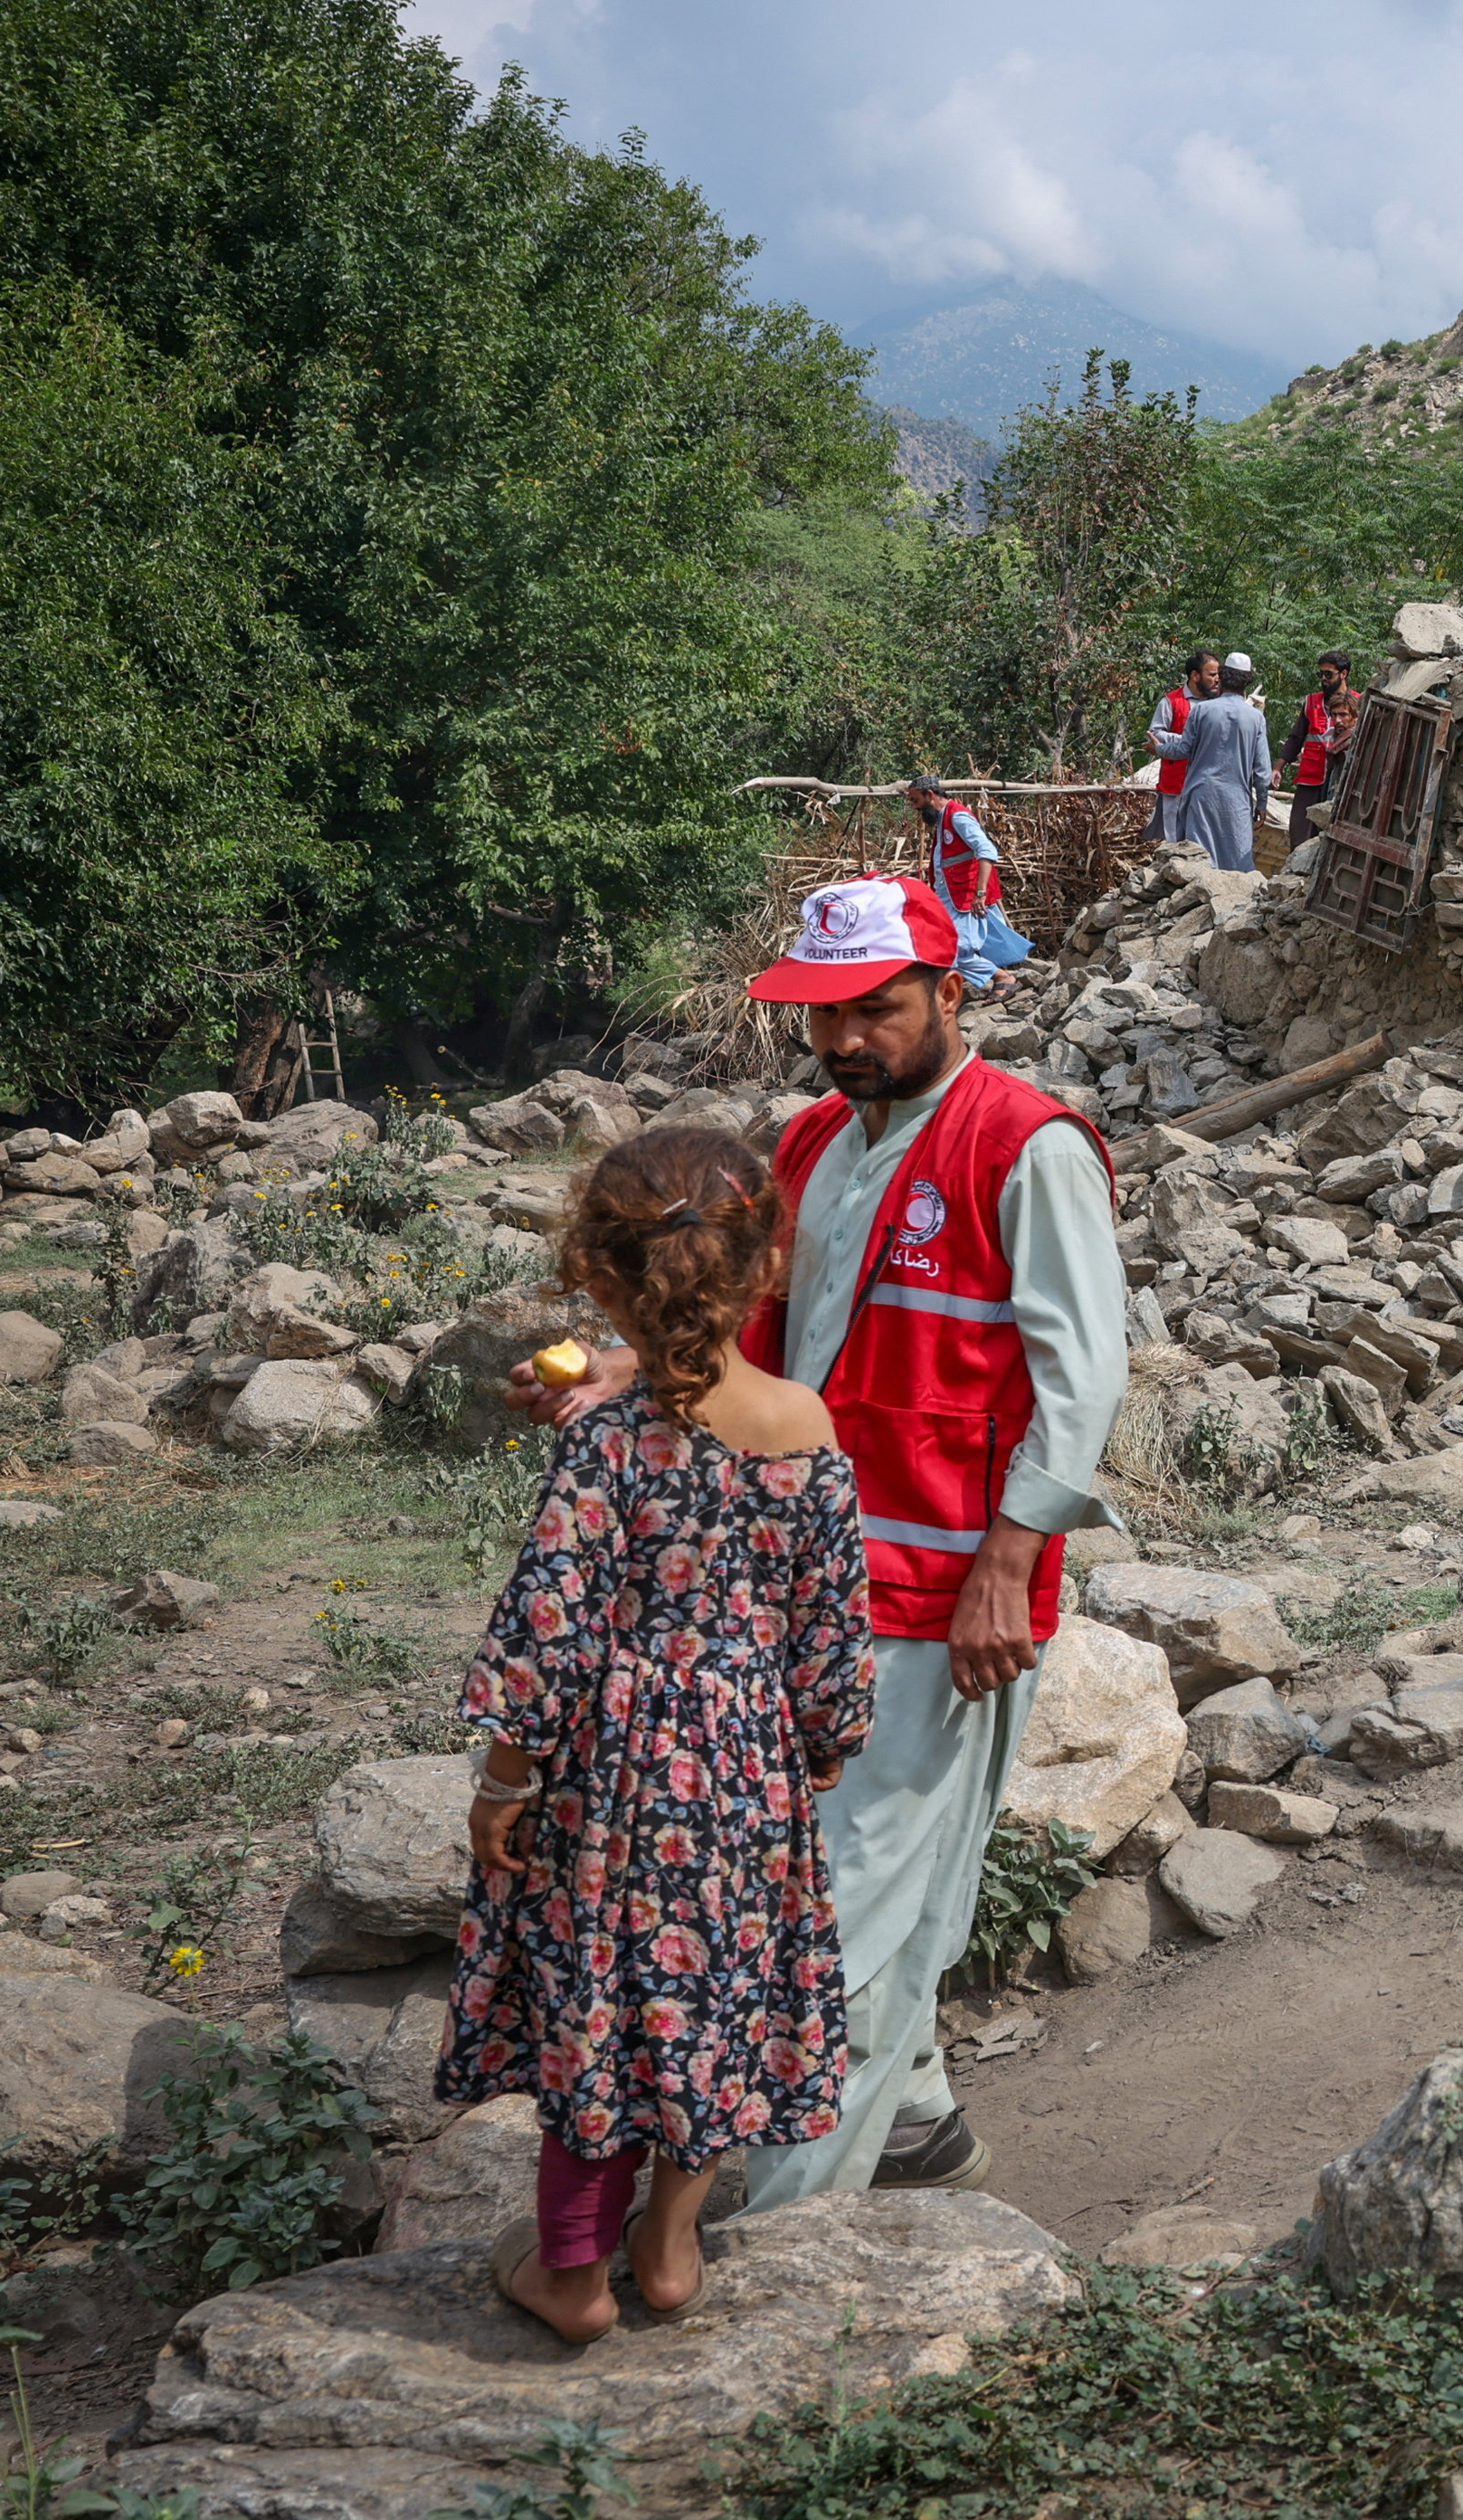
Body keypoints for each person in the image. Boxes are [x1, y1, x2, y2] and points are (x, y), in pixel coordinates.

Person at [509, 875, 1126, 2200]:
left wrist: (1007, 1571)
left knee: (833, 1904)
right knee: (846, 1871)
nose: (847, 1040)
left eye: (876, 1011)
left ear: (952, 994)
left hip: (935, 1585)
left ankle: (789, 2227)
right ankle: (911, 2122)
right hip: (802, 1583)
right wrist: (629, 1366)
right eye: (826, 1016)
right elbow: (744, 1316)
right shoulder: (809, 1147)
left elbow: (1082, 1385)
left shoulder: (1029, 1147)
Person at [442, 1126, 873, 2344]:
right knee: (717, 1992)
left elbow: (548, 1624)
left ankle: (571, 2273)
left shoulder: (605, 1437)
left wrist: (503, 1779)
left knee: (601, 2007)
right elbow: (832, 1612)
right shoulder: (803, 1420)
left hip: (607, 1774)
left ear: (594, 1267)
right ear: (767, 1262)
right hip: (745, 1770)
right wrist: (824, 1734)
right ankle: (671, 2247)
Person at [906, 776, 1033, 990]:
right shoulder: (944, 819)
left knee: (951, 950)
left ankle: (1003, 978)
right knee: (951, 944)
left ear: (930, 795)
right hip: (952, 897)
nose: (914, 807)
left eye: (915, 800)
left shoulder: (958, 817)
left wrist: (980, 893)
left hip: (964, 897)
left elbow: (987, 851)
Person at [1172, 661, 1272, 873]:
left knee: (1199, 861)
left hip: (1201, 795)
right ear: (1247, 681)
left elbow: (1182, 749)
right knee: (1237, 863)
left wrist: (1160, 748)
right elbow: (1262, 771)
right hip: (1236, 802)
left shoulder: (1201, 710)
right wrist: (1262, 803)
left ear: (1222, 677)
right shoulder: (1256, 718)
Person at [1283, 651, 1354, 851]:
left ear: (1343, 674)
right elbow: (1296, 738)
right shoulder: (1311, 703)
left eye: (1328, 674)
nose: (1323, 679)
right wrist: (1278, 767)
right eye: (1321, 674)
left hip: (1340, 778)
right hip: (1310, 777)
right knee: (1301, 833)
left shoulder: (1358, 702)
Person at [1151, 650, 1220, 844]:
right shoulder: (1171, 701)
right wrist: (1184, 740)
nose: (1217, 680)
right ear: (1195, 675)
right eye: (1212, 674)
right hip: (1176, 784)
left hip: (1208, 785)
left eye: (1218, 674)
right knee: (1174, 840)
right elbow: (1155, 733)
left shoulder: (1219, 703)